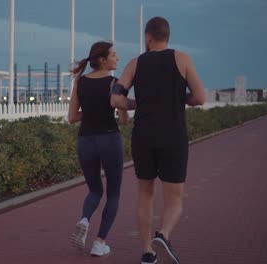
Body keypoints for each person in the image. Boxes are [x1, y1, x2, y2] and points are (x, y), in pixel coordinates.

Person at [110, 17, 206, 264]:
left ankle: (147, 253)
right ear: (167, 36)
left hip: (143, 135)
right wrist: (179, 97)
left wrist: (135, 103)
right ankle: (162, 235)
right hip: (173, 134)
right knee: (174, 197)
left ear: (148, 37)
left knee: (145, 193)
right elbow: (200, 97)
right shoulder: (182, 59)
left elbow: (116, 99)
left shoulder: (135, 63)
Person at [68, 41, 129, 257]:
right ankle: (99, 242)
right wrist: (121, 109)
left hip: (86, 141)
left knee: (94, 190)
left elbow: (72, 117)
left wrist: (91, 111)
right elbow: (123, 119)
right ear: (103, 60)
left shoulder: (81, 82)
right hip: (109, 139)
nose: (117, 58)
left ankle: (84, 219)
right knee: (113, 194)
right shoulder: (115, 82)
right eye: (114, 54)